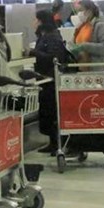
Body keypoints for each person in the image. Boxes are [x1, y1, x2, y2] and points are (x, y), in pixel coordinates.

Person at [29, 10, 68, 154]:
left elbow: (53, 57)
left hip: (51, 80)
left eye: (36, 20)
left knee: (51, 111)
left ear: (41, 21)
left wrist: (33, 53)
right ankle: (53, 142)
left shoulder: (51, 37)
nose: (34, 22)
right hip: (44, 79)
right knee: (47, 111)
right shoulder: (45, 36)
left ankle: (57, 143)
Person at [70, 0, 104, 65]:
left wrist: (85, 46)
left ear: (89, 11)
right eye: (77, 11)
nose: (79, 14)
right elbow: (73, 43)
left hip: (97, 68)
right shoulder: (80, 27)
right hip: (81, 67)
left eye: (81, 10)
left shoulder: (100, 26)